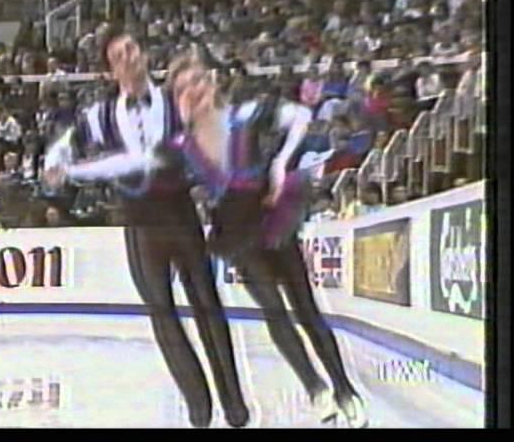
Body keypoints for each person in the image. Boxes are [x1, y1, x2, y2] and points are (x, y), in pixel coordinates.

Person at [44, 26, 249, 428]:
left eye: (131, 50)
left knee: (207, 303)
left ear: (143, 55)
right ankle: (198, 404)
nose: (127, 58)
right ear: (110, 71)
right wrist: (56, 161)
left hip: (180, 214)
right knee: (161, 311)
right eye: (118, 56)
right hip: (139, 224)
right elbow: (65, 143)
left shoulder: (176, 102)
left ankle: (234, 402)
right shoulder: (99, 115)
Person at [165, 52, 367, 428]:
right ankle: (314, 388)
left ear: (209, 82)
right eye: (182, 88)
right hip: (235, 231)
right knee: (273, 309)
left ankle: (344, 389)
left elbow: (303, 117)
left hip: (272, 216)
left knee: (306, 310)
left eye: (196, 81)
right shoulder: (181, 146)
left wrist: (279, 163)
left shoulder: (245, 115)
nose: (193, 91)